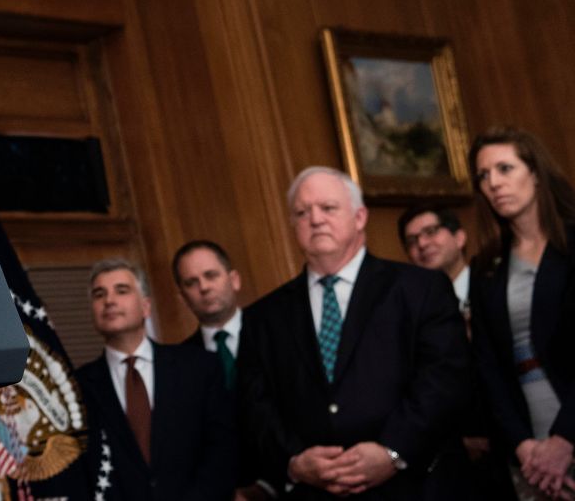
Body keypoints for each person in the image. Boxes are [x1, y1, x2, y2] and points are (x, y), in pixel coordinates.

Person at [239, 166, 471, 499]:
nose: (315, 219)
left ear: (359, 217)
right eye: (302, 213)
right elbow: (256, 405)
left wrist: (393, 451)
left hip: (416, 485)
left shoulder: (419, 288)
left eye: (328, 208)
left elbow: (444, 378)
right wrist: (294, 461)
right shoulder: (264, 316)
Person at [468, 126, 575, 500]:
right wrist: (523, 446)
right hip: (527, 449)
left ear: (535, 172)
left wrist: (565, 439)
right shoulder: (485, 268)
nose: (494, 183)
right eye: (483, 175)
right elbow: (488, 367)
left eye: (505, 169)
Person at [77, 259, 236, 500]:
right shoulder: (78, 386)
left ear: (146, 306)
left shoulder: (198, 367)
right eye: (100, 294)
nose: (109, 301)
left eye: (122, 290)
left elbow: (222, 450)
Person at [400, 203, 517, 500]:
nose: (422, 244)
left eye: (430, 232)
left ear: (460, 237)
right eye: (412, 241)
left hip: (520, 433)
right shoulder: (408, 311)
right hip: (458, 456)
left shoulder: (495, 285)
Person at [173, 239, 242, 389]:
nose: (204, 287)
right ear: (183, 298)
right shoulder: (180, 363)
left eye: (211, 275)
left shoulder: (271, 331)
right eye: (191, 283)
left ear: (234, 280)